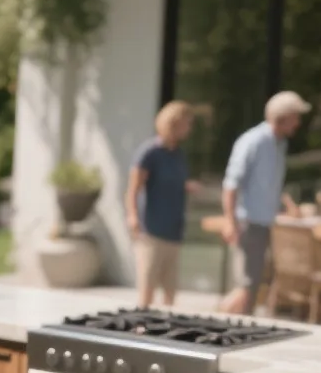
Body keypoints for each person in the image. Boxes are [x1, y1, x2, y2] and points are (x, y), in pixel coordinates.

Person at [219, 91, 308, 314]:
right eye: (296, 116)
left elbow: (268, 184)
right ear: (283, 117)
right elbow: (231, 184)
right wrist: (229, 222)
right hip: (248, 223)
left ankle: (236, 330)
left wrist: (286, 204)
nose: (298, 122)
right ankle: (215, 318)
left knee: (253, 285)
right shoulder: (254, 141)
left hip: (265, 222)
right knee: (247, 285)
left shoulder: (280, 144)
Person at [125, 101, 199, 310]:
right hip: (152, 231)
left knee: (170, 293)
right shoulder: (149, 152)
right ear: (174, 123)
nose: (189, 129)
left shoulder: (178, 155)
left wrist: (187, 186)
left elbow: (172, 182)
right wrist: (132, 216)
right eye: (187, 123)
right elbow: (133, 189)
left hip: (173, 231)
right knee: (147, 291)